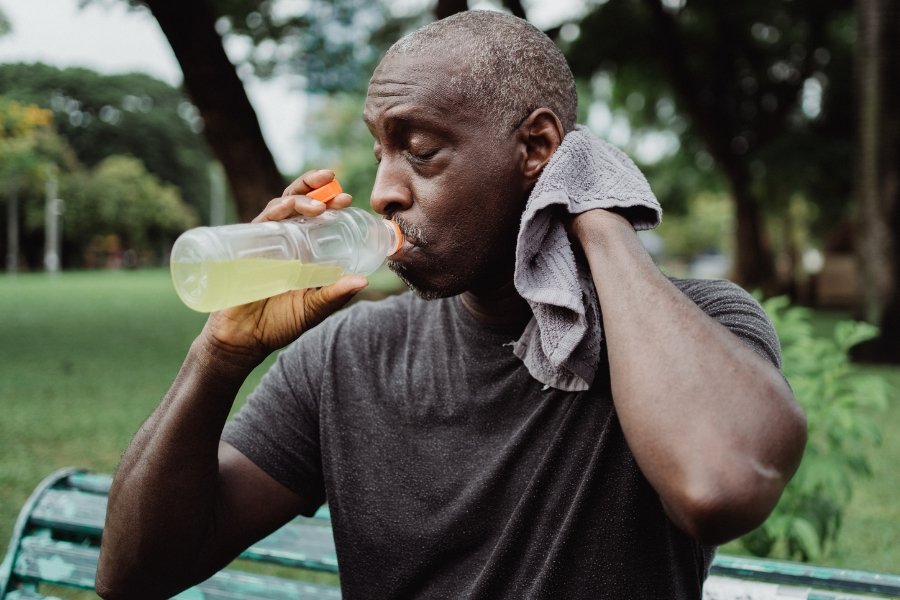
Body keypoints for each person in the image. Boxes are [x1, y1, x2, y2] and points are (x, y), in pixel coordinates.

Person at [96, 10, 806, 599]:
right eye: (381, 152)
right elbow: (132, 574)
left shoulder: (698, 329)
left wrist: (597, 213)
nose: (382, 192)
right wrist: (218, 357)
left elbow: (720, 485)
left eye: (422, 151)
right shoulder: (347, 356)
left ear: (538, 148)